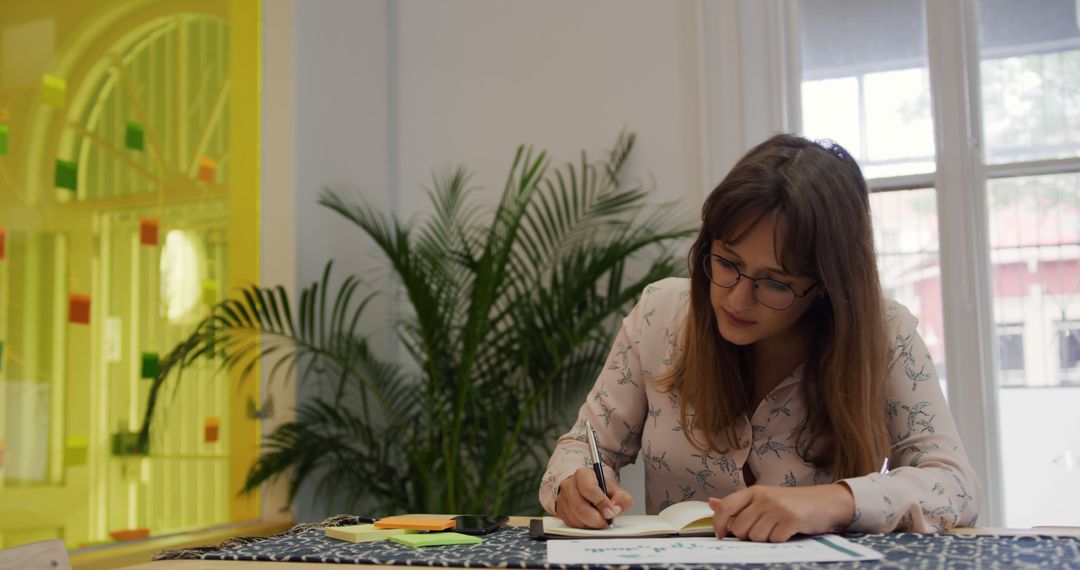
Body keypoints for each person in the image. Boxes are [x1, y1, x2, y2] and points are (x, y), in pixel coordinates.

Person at [539, 134, 979, 543]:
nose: (737, 298)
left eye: (775, 283)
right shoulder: (660, 315)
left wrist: (831, 502)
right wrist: (572, 486)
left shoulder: (884, 335)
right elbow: (580, 448)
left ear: (825, 285)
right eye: (727, 262)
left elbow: (955, 487)